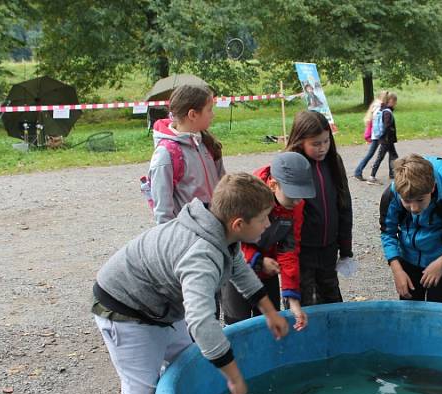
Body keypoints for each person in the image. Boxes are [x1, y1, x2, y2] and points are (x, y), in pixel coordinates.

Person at [93, 174, 290, 394]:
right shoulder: (201, 253)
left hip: (160, 307)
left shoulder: (220, 231)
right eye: (264, 218)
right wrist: (234, 377)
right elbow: (202, 324)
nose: (269, 223)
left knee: (186, 361)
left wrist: (271, 312)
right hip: (126, 310)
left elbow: (238, 268)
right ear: (239, 223)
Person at [222, 152, 315, 327]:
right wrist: (257, 261)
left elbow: (289, 249)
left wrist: (293, 297)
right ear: (273, 185)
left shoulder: (295, 203)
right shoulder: (245, 195)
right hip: (236, 269)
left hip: (268, 271)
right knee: (236, 322)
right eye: (292, 197)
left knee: (268, 321)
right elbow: (232, 240)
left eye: (301, 196)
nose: (297, 202)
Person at [380, 154, 442, 303]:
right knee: (409, 313)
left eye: (420, 200)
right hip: (407, 259)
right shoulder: (393, 193)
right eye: (407, 201)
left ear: (432, 188)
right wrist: (397, 269)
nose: (414, 208)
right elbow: (388, 232)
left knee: (439, 313)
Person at [286, 111, 354, 306]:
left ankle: (335, 335)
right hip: (302, 250)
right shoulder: (291, 165)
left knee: (332, 297)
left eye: (326, 141)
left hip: (329, 247)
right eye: (316, 144)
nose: (322, 148)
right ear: (300, 141)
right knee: (303, 300)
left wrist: (346, 248)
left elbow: (344, 204)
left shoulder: (334, 162)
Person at [147, 82, 224, 224]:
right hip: (188, 236)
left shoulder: (209, 144)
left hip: (215, 229)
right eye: (209, 109)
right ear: (193, 114)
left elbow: (224, 186)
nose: (212, 115)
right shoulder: (166, 154)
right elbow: (163, 213)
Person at [353, 91, 389, 181]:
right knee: (370, 154)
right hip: (377, 135)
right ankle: (358, 171)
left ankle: (359, 171)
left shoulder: (376, 105)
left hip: (376, 134)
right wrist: (379, 134)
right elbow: (377, 122)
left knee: (373, 153)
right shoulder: (379, 107)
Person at [368, 92, 399, 184]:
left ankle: (392, 173)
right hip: (386, 139)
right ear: (390, 101)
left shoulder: (385, 110)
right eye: (394, 101)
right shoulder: (387, 112)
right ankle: (372, 176)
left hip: (387, 139)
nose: (395, 103)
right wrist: (389, 132)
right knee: (381, 157)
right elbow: (386, 126)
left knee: (392, 155)